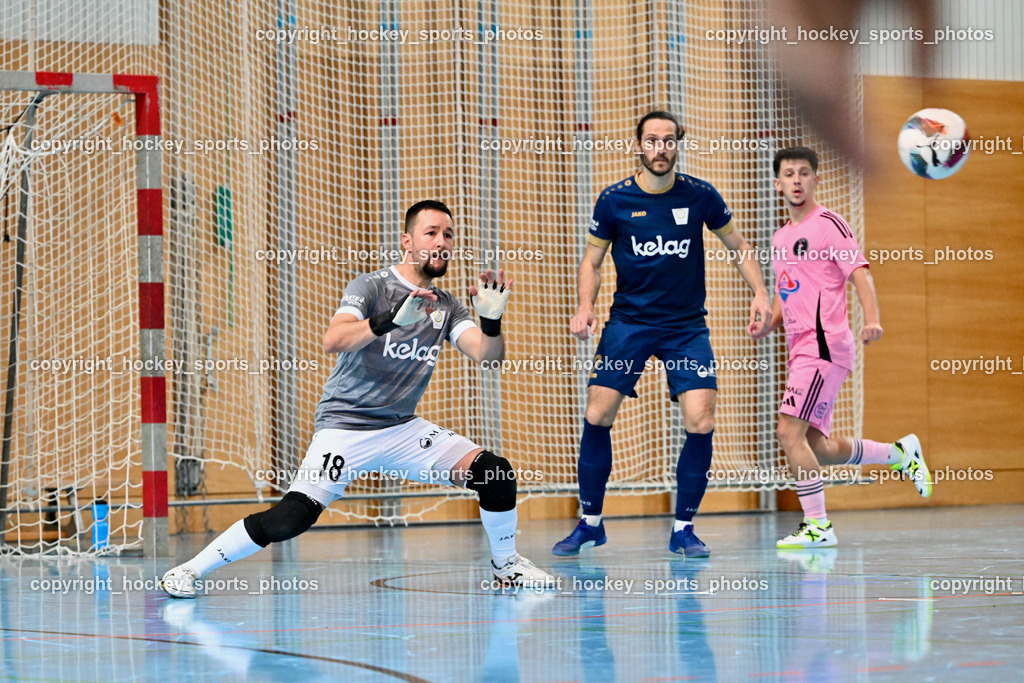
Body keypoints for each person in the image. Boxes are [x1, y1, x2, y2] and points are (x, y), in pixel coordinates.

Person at [161, 200, 554, 597]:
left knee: (496, 473)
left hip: (401, 428)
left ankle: (506, 568)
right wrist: (389, 321)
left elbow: (488, 357)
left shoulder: (447, 306)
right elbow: (334, 339)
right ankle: (190, 570)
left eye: (448, 235)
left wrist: (491, 321)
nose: (441, 243)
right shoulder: (371, 287)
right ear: (408, 241)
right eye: (431, 233)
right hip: (345, 427)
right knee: (288, 520)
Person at [552, 110, 772, 558]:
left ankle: (684, 530)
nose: (660, 149)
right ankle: (590, 523)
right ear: (638, 145)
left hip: (685, 327)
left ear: (678, 144)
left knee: (702, 419)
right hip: (629, 323)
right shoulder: (613, 200)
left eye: (668, 141)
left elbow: (739, 246)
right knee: (597, 414)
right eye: (652, 141)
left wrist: (761, 293)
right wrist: (585, 306)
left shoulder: (701, 195)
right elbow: (591, 261)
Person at [755, 146, 931, 549]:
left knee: (787, 431)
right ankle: (900, 453)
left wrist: (873, 318)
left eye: (804, 173)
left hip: (824, 346)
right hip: (799, 348)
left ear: (815, 179)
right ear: (777, 183)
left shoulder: (830, 224)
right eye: (789, 174)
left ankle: (818, 526)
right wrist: (768, 323)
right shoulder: (781, 236)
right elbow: (787, 293)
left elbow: (860, 274)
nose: (797, 180)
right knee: (818, 446)